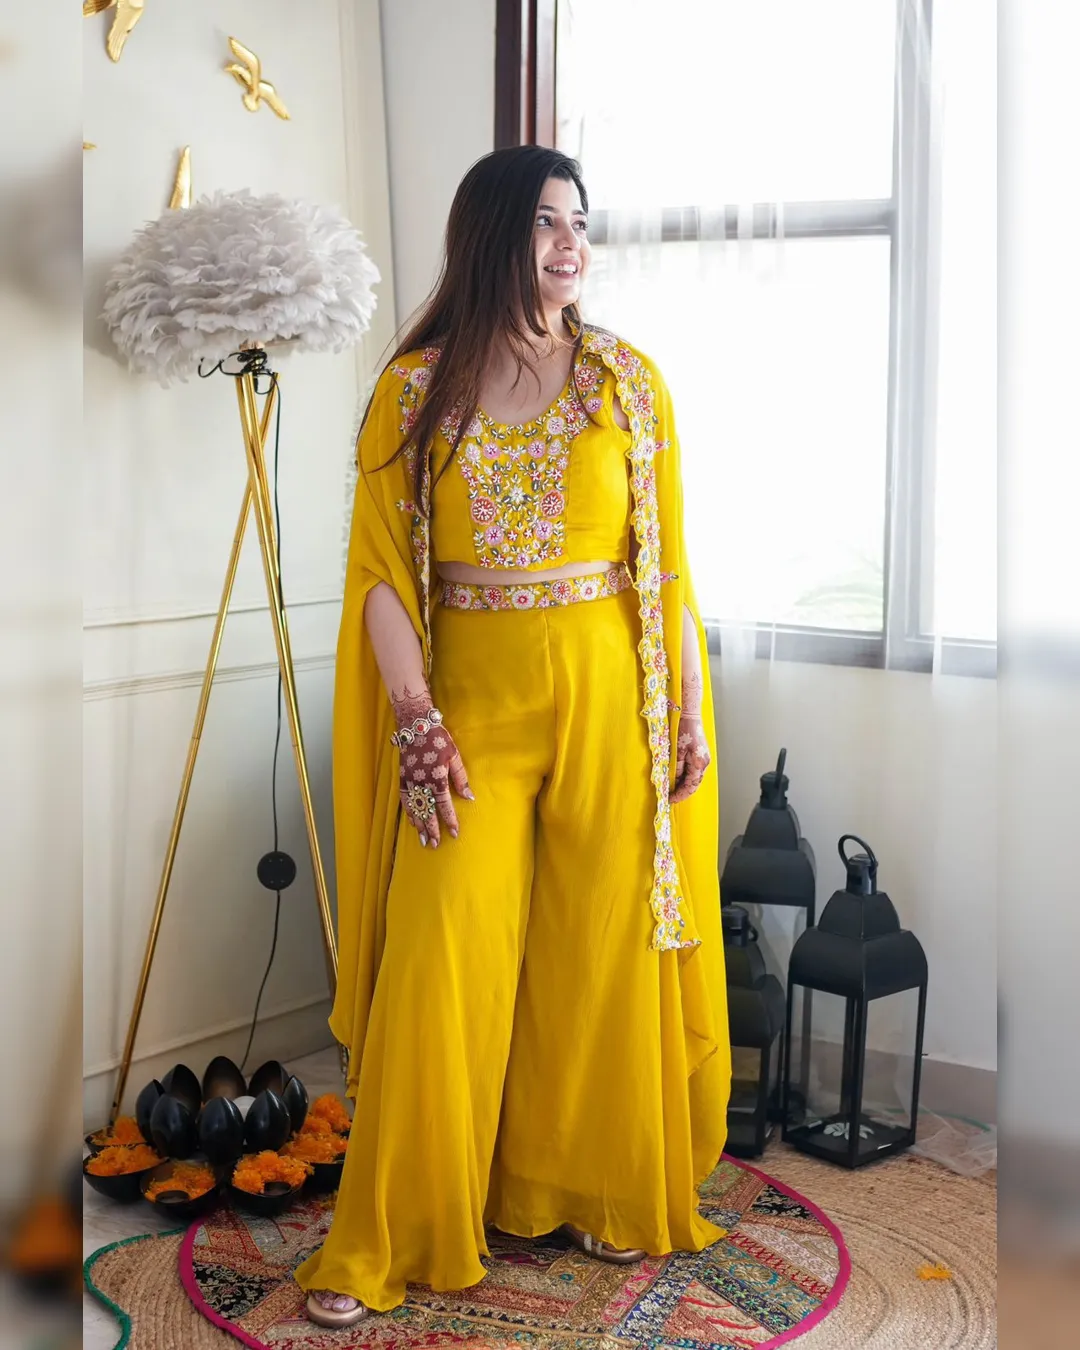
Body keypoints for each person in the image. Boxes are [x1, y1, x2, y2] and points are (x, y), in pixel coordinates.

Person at [295, 145, 731, 1329]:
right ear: (492, 233)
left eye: (580, 221)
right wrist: (413, 718)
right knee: (440, 965)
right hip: (467, 715)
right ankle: (390, 1237)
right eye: (546, 221)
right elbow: (381, 577)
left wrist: (690, 709)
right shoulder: (412, 394)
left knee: (598, 958)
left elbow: (667, 564)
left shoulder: (628, 383)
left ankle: (580, 1188)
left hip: (611, 700)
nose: (572, 243)